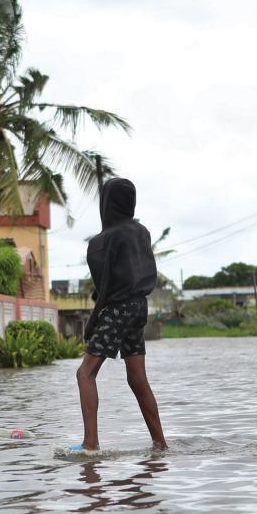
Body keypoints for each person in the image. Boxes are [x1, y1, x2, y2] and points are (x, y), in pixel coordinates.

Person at [73, 178, 168, 453]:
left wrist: (91, 323)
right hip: (140, 307)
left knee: (85, 373)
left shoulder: (103, 241)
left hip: (118, 309)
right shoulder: (143, 232)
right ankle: (160, 444)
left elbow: (104, 290)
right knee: (137, 378)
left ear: (106, 204)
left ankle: (90, 443)